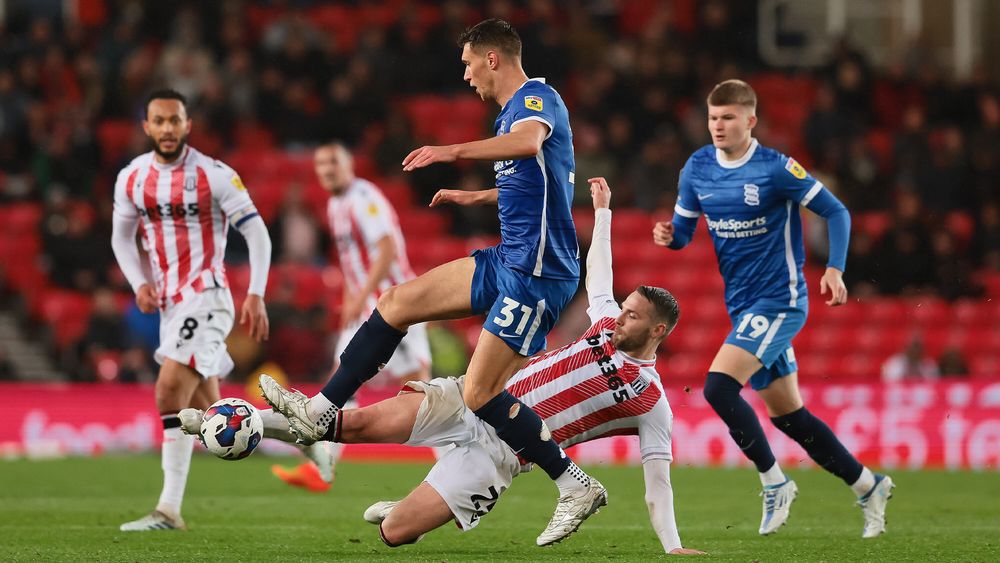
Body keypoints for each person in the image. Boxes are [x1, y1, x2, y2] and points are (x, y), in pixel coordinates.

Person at [185, 179, 704, 554]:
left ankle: (414, 505)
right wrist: (605, 213)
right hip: (471, 394)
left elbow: (658, 481)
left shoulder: (651, 401)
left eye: (633, 315)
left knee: (394, 534)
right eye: (624, 307)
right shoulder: (606, 322)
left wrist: (674, 548)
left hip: (502, 450)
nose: (619, 316)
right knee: (354, 423)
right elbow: (599, 276)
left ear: (657, 331)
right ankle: (248, 422)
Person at [259, 19, 604, 545]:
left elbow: (529, 145)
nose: (465, 75)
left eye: (469, 63)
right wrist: (480, 197)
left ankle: (573, 484)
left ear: (493, 58)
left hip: (538, 275)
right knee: (397, 301)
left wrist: (453, 152)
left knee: (480, 391)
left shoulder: (537, 100)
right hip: (508, 259)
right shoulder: (512, 113)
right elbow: (545, 186)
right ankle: (322, 409)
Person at [652, 80, 894, 539]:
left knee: (719, 387)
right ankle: (869, 484)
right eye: (712, 118)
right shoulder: (697, 168)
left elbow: (837, 211)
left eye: (727, 117)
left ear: (750, 120)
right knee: (789, 417)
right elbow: (684, 233)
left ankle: (774, 482)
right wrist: (670, 236)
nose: (718, 126)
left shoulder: (776, 169)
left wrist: (837, 269)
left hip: (781, 300)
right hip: (743, 306)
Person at [111, 89, 331, 530]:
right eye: (160, 120)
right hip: (171, 308)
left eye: (176, 120)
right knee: (217, 418)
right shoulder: (132, 178)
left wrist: (255, 292)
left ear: (188, 125)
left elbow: (257, 234)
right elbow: (121, 237)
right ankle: (303, 433)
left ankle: (168, 510)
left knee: (167, 391)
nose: (168, 128)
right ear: (147, 127)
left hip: (207, 297)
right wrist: (139, 283)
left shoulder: (213, 175)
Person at [271, 141, 438, 491]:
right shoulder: (335, 204)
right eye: (321, 164)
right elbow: (352, 262)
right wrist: (352, 298)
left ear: (349, 166)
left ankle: (457, 469)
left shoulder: (365, 198)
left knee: (420, 390)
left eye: (333, 162)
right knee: (338, 382)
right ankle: (322, 470)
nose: (327, 170)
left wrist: (363, 295)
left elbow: (387, 248)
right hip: (367, 309)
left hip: (397, 306)